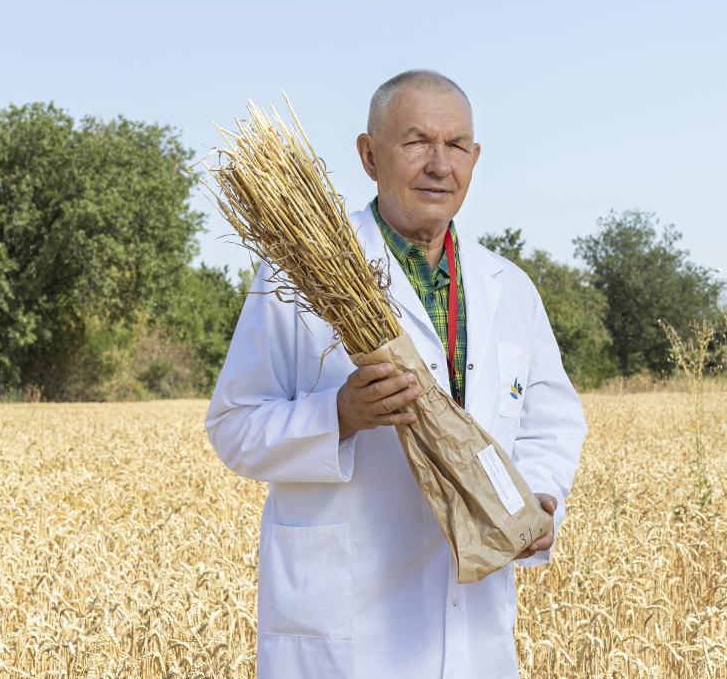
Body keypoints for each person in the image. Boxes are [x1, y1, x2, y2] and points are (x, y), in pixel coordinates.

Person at [205, 69, 588, 679]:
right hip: (348, 632)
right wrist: (338, 417)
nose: (440, 164)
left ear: (475, 158)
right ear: (368, 155)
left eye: (457, 146)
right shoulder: (301, 278)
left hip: (476, 631)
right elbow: (234, 426)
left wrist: (538, 500)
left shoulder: (509, 289)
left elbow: (550, 423)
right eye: (416, 142)